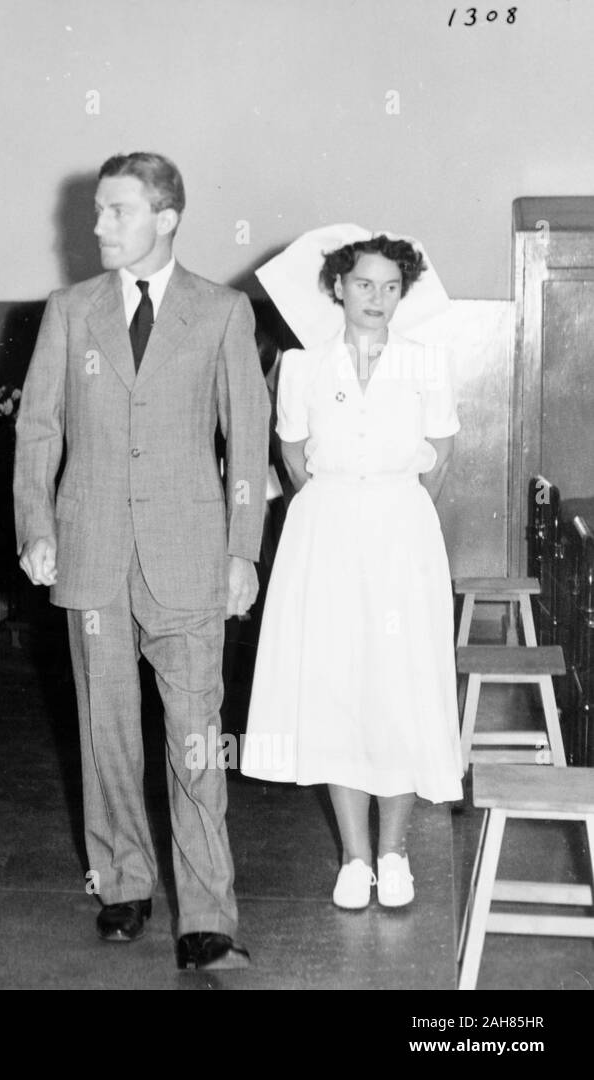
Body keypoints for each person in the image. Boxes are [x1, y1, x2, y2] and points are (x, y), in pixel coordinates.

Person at [14, 152, 269, 970]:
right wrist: (35, 526)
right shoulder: (69, 309)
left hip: (190, 559)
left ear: (166, 216)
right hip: (90, 556)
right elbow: (38, 429)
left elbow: (248, 448)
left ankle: (206, 915)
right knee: (107, 735)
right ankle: (122, 883)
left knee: (196, 743)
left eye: (116, 211)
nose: (96, 227)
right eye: (95, 211)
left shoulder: (223, 311)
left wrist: (241, 551)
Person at [243, 227, 461, 910]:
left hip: (401, 535)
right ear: (337, 286)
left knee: (396, 688)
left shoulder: (425, 362)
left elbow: (441, 456)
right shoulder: (303, 367)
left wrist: (390, 514)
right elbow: (294, 460)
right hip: (326, 536)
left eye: (391, 286)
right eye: (364, 284)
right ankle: (355, 858)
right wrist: (343, 509)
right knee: (336, 688)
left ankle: (394, 855)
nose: (377, 297)